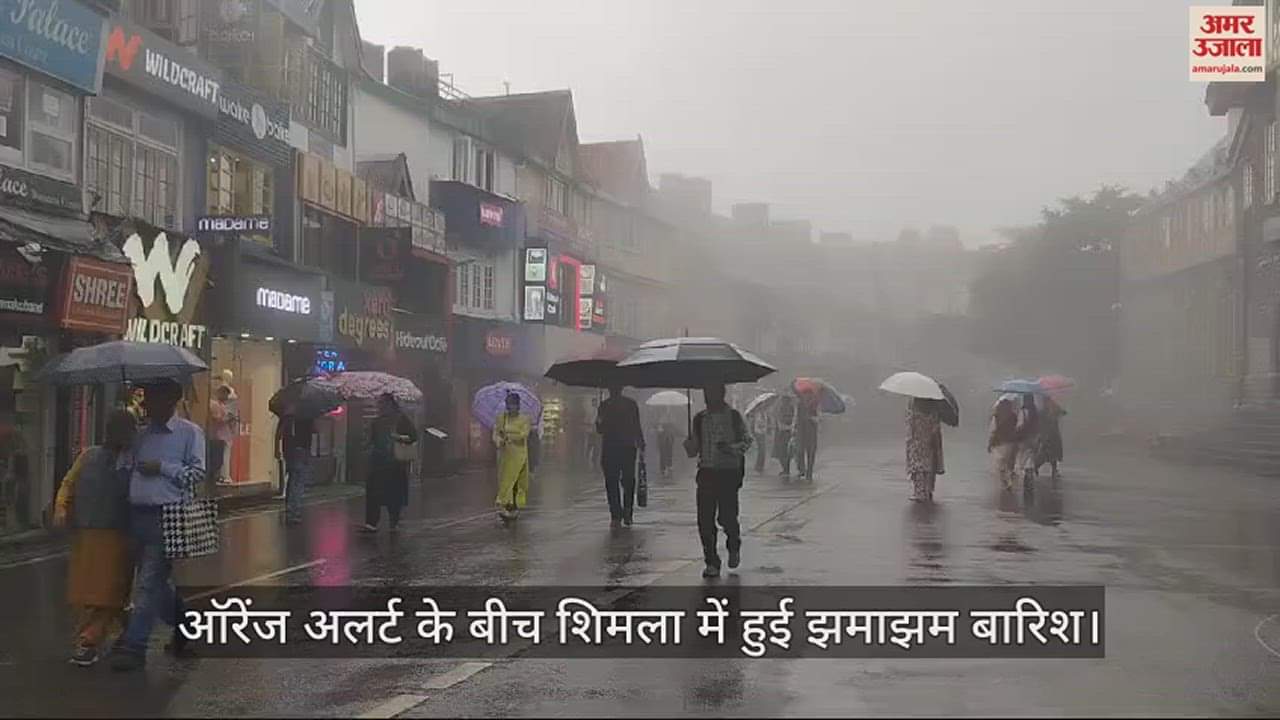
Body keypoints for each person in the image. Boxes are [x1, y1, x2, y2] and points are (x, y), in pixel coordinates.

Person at [111, 379, 205, 672]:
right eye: (145, 398)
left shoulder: (190, 433)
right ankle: (187, 627)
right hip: (135, 515)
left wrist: (162, 468)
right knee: (154, 585)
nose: (147, 404)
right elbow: (123, 468)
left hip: (168, 516)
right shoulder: (139, 436)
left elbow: (197, 474)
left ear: (170, 401)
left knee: (148, 582)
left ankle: (134, 646)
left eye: (152, 398)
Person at [52, 410, 136, 666]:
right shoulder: (88, 455)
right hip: (86, 533)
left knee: (107, 592)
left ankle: (88, 641)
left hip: (119, 536)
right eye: (114, 428)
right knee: (87, 592)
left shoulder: (133, 460)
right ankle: (123, 626)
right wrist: (61, 508)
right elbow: (69, 482)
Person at [685, 383, 752, 578]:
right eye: (706, 392)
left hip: (728, 473)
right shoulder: (699, 419)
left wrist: (731, 448)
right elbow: (693, 450)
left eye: (712, 392)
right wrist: (689, 445)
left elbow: (747, 440)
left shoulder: (734, 417)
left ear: (721, 394)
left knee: (727, 517)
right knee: (705, 519)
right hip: (706, 473)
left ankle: (733, 544)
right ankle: (711, 561)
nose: (708, 396)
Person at [362, 393, 417, 532]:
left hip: (395, 463)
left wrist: (398, 437)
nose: (380, 406)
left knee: (394, 494)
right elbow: (372, 440)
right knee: (374, 492)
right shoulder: (377, 421)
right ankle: (371, 523)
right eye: (379, 403)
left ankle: (394, 520)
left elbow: (413, 436)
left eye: (382, 403)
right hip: (378, 462)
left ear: (390, 404)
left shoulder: (401, 419)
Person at [596, 384, 644, 528]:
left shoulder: (604, 406)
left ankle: (616, 515)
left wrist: (599, 421)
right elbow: (637, 426)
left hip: (611, 448)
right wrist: (641, 443)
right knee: (628, 481)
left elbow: (599, 429)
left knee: (612, 482)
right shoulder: (631, 404)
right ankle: (627, 513)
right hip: (628, 447)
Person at [493, 392, 533, 522]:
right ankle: (507, 505)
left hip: (519, 455)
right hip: (505, 455)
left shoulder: (525, 419)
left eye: (514, 405)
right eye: (509, 404)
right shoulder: (501, 418)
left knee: (515, 480)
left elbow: (524, 434)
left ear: (518, 405)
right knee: (505, 480)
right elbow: (496, 433)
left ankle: (514, 506)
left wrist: (511, 437)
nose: (512, 407)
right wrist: (499, 440)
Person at [274, 401, 314, 526]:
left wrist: (276, 449)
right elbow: (314, 431)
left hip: (289, 450)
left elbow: (278, 433)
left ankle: (290, 509)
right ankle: (294, 511)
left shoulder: (286, 415)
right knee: (299, 480)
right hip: (302, 450)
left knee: (292, 478)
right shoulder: (307, 415)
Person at [905, 397, 944, 502]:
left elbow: (910, 427)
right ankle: (928, 490)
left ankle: (920, 492)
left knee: (918, 467)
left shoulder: (914, 410)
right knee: (930, 466)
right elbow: (936, 429)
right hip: (931, 443)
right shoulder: (934, 411)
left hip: (917, 442)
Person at [988, 395, 1020, 491]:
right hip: (1011, 442)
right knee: (1009, 463)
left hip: (999, 442)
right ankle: (1009, 480)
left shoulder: (996, 416)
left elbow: (992, 430)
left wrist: (990, 443)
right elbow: (1017, 428)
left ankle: (1006, 482)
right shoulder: (1014, 415)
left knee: (1000, 464)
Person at [208, 385, 236, 486]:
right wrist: (228, 418)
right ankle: (222, 476)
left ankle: (224, 476)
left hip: (225, 435)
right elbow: (216, 419)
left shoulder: (222, 405)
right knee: (221, 457)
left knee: (226, 456)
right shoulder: (213, 404)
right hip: (218, 436)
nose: (227, 397)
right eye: (225, 394)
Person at [1036, 396, 1067, 481]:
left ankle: (1053, 470)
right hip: (1048, 435)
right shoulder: (1044, 412)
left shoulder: (1051, 410)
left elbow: (1064, 412)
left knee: (1053, 454)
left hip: (1051, 435)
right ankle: (1037, 467)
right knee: (1045, 453)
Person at [1015, 392, 1040, 491]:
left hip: (1024, 438)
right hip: (1034, 437)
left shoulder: (1023, 411)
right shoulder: (1035, 411)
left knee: (1022, 457)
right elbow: (1038, 425)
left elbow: (1020, 425)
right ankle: (1030, 475)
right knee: (1030, 456)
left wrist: (1016, 430)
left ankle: (1024, 476)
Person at [793, 394, 819, 483]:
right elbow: (796, 418)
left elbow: (818, 419)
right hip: (801, 432)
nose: (806, 398)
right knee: (799, 451)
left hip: (811, 433)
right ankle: (802, 469)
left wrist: (812, 418)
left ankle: (809, 473)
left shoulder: (814, 406)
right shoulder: (799, 405)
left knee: (811, 454)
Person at [773, 394, 796, 479]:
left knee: (782, 451)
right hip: (787, 431)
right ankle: (786, 469)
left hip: (783, 432)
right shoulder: (790, 408)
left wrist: (781, 424)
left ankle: (786, 469)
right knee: (786, 452)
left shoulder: (784, 408)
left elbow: (780, 420)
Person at [750, 409, 771, 474]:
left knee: (762, 450)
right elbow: (754, 424)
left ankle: (760, 465)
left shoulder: (765, 414)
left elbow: (767, 423)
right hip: (758, 433)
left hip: (763, 433)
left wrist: (767, 429)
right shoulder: (757, 415)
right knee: (762, 449)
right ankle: (758, 466)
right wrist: (753, 433)